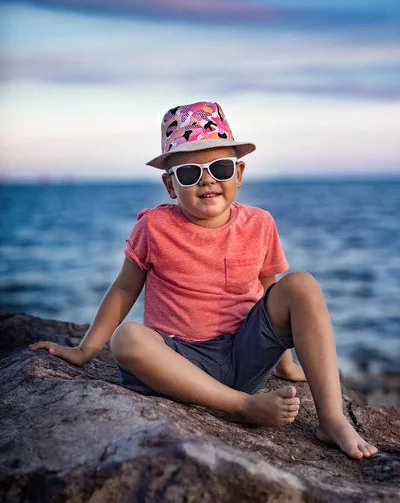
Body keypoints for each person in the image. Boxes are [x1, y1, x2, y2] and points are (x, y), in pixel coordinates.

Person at [29, 102, 378, 460]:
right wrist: (86, 350)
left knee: (301, 284)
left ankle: (332, 419)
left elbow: (271, 293)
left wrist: (286, 364)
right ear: (169, 185)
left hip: (245, 353)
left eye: (221, 168)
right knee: (127, 339)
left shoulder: (259, 223)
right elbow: (123, 288)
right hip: (180, 362)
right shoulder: (153, 226)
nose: (207, 180)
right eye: (189, 174)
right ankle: (241, 406)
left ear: (238, 175)